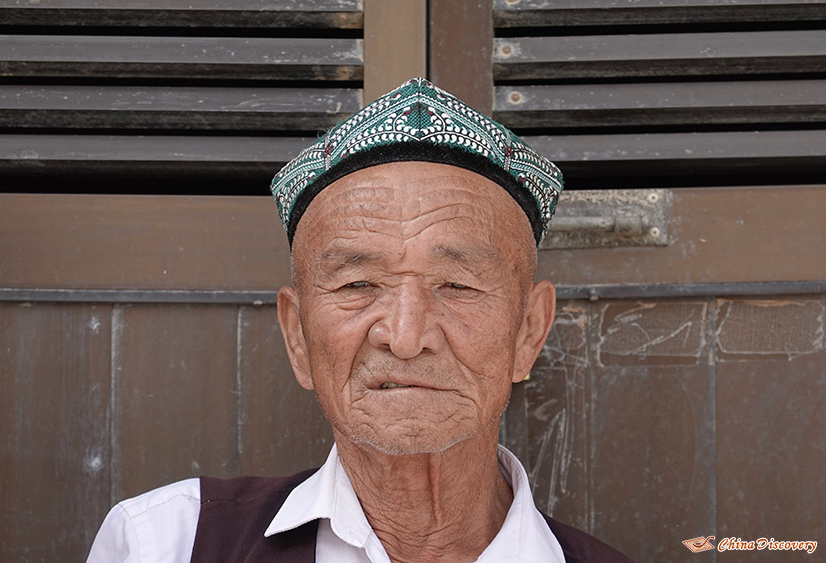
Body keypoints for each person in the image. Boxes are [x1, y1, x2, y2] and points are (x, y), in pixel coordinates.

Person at [87, 78, 633, 563]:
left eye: (457, 286)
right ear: (297, 336)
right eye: (357, 285)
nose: (404, 336)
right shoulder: (168, 543)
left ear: (529, 331)